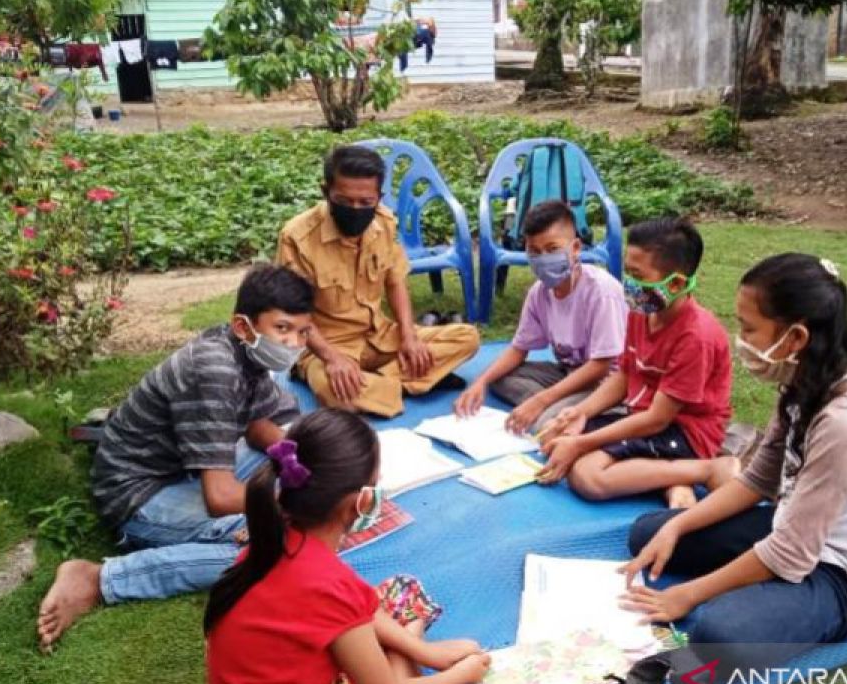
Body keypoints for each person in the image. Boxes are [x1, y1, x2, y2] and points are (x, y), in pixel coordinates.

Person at [620, 254, 847, 673]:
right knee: (648, 534)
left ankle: (761, 605)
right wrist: (677, 525)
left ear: (795, 337)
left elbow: (789, 553)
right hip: (799, 532)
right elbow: (756, 482)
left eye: (748, 328)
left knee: (718, 634)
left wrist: (688, 594)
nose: (739, 338)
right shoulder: (802, 384)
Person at [36, 265, 313, 652]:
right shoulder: (215, 368)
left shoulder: (245, 353)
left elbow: (258, 425)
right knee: (271, 541)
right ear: (242, 326)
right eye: (282, 329)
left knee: (290, 464)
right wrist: (298, 500)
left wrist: (294, 456)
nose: (293, 343)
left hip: (184, 467)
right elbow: (219, 497)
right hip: (138, 491)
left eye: (302, 332)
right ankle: (100, 579)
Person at [206, 409, 501, 684]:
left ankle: (400, 660)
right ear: (357, 503)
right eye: (375, 485)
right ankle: (399, 668)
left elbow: (355, 606)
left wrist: (426, 653)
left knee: (403, 589)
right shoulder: (327, 584)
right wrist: (461, 674)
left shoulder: (270, 545)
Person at [537, 217, 737, 505]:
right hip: (642, 419)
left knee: (587, 476)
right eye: (626, 272)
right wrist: (580, 412)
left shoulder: (697, 336)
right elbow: (624, 375)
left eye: (636, 274)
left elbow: (658, 419)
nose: (628, 283)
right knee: (555, 436)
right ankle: (672, 480)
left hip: (684, 433)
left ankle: (707, 469)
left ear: (677, 282)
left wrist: (581, 443)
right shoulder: (642, 311)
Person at [278, 145, 480, 418]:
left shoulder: (384, 222)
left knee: (467, 337)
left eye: (365, 202)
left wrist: (409, 338)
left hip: (381, 336)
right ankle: (413, 381)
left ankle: (375, 385)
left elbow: (396, 283)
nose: (355, 209)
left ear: (379, 197)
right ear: (326, 192)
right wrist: (332, 358)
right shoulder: (297, 236)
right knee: (333, 391)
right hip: (328, 348)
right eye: (345, 201)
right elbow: (293, 315)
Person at [453, 200, 627, 434]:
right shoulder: (540, 292)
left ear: (575, 248)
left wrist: (541, 400)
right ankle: (557, 405)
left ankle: (574, 410)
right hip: (569, 372)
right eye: (534, 251)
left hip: (607, 383)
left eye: (553, 249)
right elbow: (519, 348)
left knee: (544, 424)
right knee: (498, 376)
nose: (543, 258)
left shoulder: (602, 291)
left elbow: (601, 365)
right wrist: (480, 382)